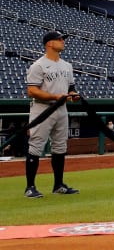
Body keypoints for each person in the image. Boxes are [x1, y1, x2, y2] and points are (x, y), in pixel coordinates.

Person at [24, 31, 80, 198]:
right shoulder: (38, 65)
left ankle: (58, 185)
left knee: (60, 147)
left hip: (61, 109)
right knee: (36, 146)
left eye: (63, 39)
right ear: (49, 43)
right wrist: (55, 96)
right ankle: (30, 187)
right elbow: (32, 90)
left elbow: (70, 87)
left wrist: (74, 94)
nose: (62, 41)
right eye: (59, 39)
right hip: (43, 108)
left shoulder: (67, 66)